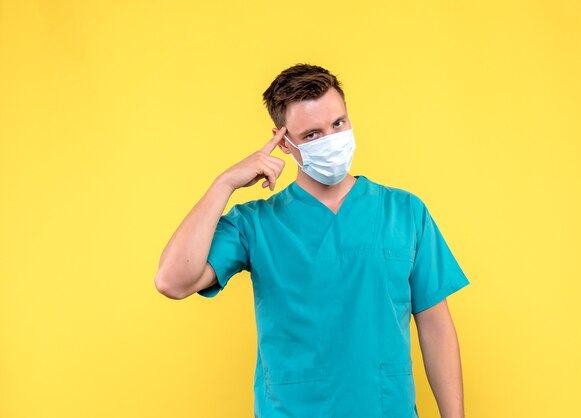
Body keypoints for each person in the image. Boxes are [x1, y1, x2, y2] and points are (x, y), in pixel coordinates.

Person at [154, 63, 471, 418]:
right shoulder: (255, 224)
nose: (332, 140)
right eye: (312, 135)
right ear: (284, 142)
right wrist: (224, 184)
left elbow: (435, 325)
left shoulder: (404, 212)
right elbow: (172, 281)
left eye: (338, 124)